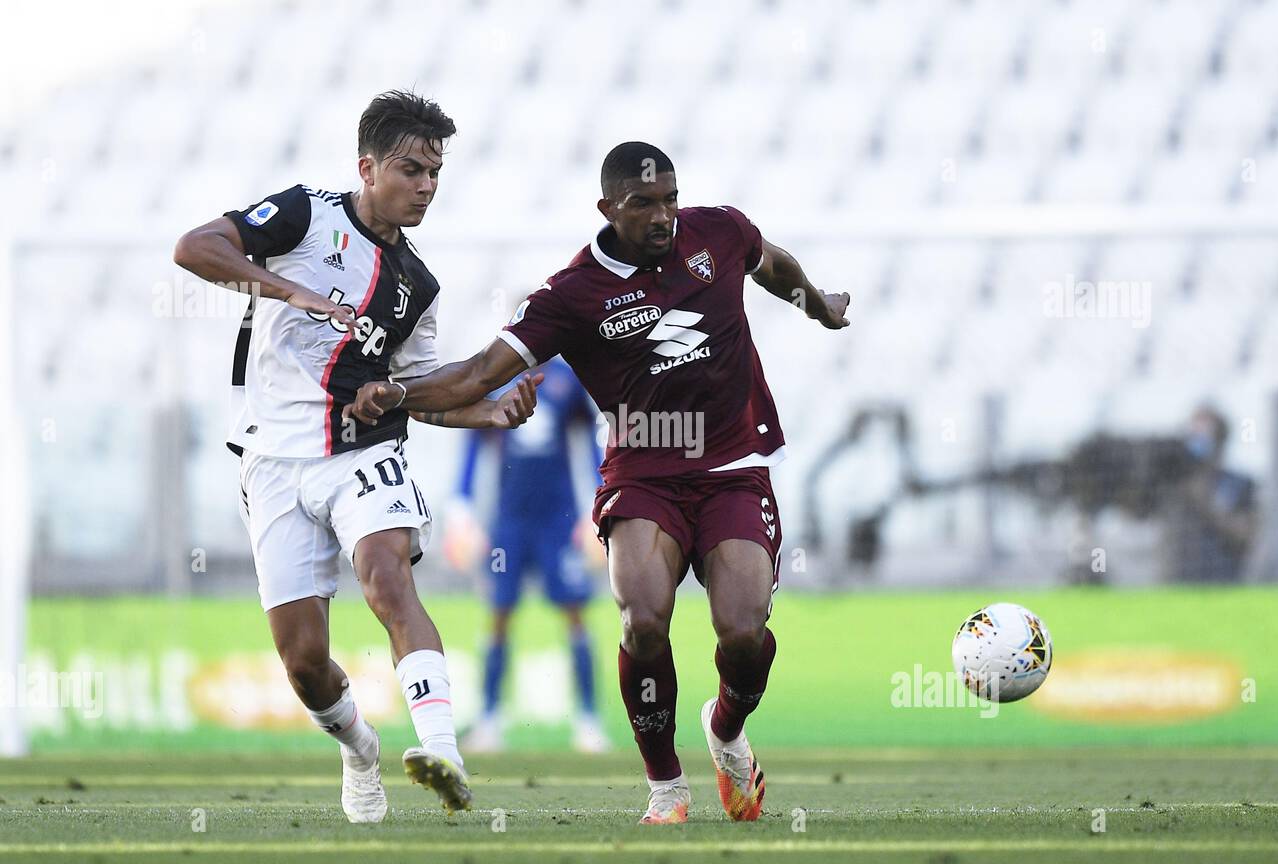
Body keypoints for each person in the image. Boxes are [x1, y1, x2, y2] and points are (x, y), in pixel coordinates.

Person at [347, 142, 850, 823]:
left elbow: (772, 263)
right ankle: (666, 785)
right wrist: (395, 390)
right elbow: (476, 375)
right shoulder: (575, 293)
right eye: (645, 204)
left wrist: (817, 304)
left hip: (732, 466)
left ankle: (727, 730)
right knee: (642, 621)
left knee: (742, 632)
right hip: (644, 474)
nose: (664, 215)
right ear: (608, 208)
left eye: (671, 198)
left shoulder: (719, 231)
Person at [172, 90, 540, 822]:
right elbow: (193, 249)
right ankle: (359, 749)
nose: (427, 187)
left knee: (386, 582)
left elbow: (417, 392)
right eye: (411, 170)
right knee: (305, 665)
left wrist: (485, 412)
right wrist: (290, 290)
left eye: (435, 172)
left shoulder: (419, 286)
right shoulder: (304, 214)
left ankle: (444, 753)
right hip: (273, 460)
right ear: (367, 168)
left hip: (361, 454)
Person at [451, 357, 610, 753]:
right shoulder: (496, 378)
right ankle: (489, 719)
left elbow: (588, 437)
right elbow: (475, 441)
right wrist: (463, 507)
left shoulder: (567, 380)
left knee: (575, 612)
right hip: (509, 522)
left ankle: (588, 720)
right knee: (498, 614)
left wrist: (596, 504)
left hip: (559, 520)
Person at [1159, 406, 1259, 581]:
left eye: (1204, 437)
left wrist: (1208, 503)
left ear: (1221, 440)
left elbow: (1246, 536)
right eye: (1192, 436)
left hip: (1223, 582)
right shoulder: (1173, 485)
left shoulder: (1241, 484)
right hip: (1177, 583)